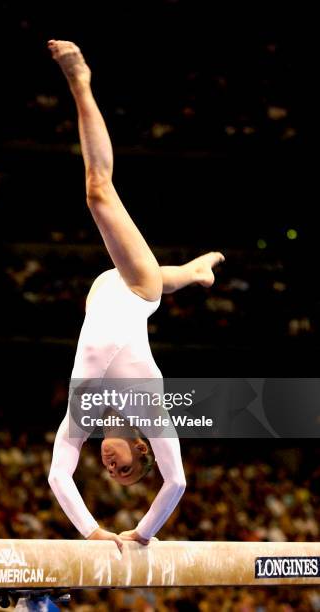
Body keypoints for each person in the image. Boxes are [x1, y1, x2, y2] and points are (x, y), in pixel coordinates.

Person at [47, 40, 224, 552]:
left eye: (112, 476)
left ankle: (191, 273)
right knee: (98, 190)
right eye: (126, 470)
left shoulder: (84, 414)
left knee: (151, 281)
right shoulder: (152, 415)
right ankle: (81, 80)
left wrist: (94, 531)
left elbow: (61, 475)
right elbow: (177, 484)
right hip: (133, 288)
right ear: (143, 449)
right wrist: (141, 533)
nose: (111, 470)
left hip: (102, 295)